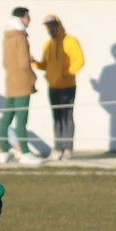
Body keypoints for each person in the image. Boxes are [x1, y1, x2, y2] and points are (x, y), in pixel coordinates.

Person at [33, 13, 84, 160]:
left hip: (67, 86)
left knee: (67, 117)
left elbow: (79, 60)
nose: (50, 28)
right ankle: (57, 148)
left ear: (58, 25)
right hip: (53, 86)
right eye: (48, 26)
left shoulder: (70, 41)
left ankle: (68, 149)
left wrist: (67, 74)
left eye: (53, 25)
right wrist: (34, 62)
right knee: (56, 118)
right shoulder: (48, 44)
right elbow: (45, 65)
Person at [0, 6, 42, 164]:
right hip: (22, 83)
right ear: (22, 17)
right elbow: (24, 63)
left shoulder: (7, 36)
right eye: (28, 17)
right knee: (21, 120)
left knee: (6, 118)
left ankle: (3, 151)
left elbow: (5, 62)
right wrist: (33, 77)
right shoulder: (20, 36)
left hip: (10, 81)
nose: (29, 20)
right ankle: (25, 153)